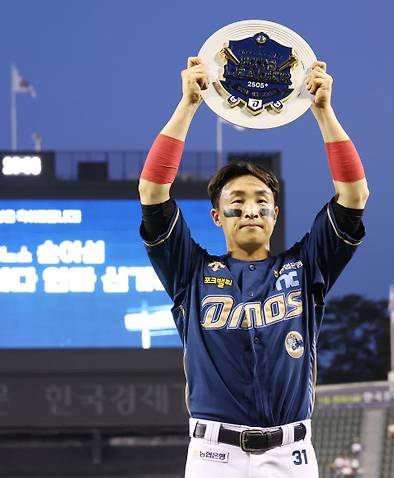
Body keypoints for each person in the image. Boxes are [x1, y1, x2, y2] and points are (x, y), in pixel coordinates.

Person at [138, 56, 368, 478]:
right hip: (213, 455)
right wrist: (188, 104)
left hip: (291, 453)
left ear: (275, 214)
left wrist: (324, 112)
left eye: (262, 201)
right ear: (217, 216)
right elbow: (153, 191)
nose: (250, 209)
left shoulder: (305, 264)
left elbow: (354, 195)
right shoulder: (190, 271)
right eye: (237, 202)